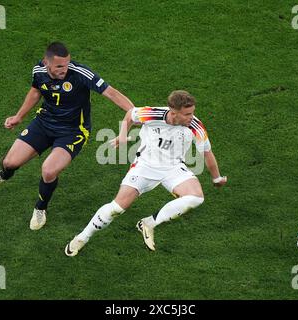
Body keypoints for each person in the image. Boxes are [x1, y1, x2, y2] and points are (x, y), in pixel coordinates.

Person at [0, 42, 134, 230]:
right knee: (9, 163)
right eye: (60, 66)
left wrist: (136, 113)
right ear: (47, 63)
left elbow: (111, 93)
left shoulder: (80, 73)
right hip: (44, 122)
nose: (65, 69)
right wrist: (18, 116)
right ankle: (4, 175)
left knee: (48, 171)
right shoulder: (38, 71)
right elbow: (35, 91)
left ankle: (40, 208)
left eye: (67, 64)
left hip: (73, 131)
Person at [64, 90, 227, 256]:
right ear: (173, 112)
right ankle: (82, 237)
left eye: (192, 112)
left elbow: (207, 153)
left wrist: (216, 178)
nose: (192, 117)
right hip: (145, 166)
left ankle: (148, 223)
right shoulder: (153, 114)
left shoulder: (195, 126)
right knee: (117, 208)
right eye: (187, 114)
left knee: (196, 197)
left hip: (173, 168)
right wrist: (122, 135)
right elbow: (130, 115)